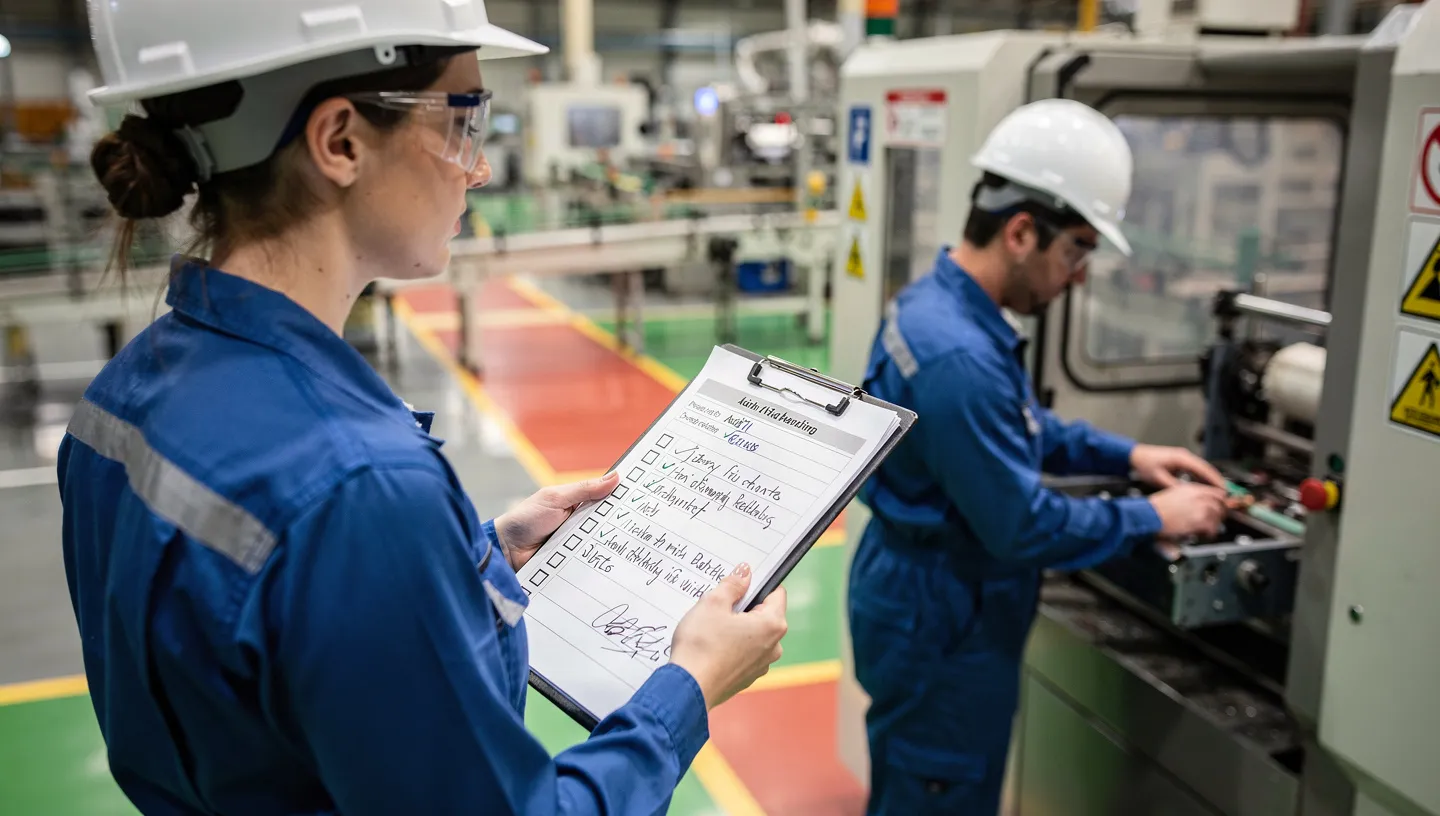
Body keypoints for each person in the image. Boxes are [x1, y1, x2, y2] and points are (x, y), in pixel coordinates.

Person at [58, 3, 787, 814]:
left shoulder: (118, 399)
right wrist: (685, 687)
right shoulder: (360, 486)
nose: (477, 170)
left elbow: (261, 636)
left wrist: (472, 557)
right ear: (340, 141)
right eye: (464, 123)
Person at [846, 98, 1231, 815]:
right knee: (937, 791)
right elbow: (1021, 525)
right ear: (1022, 231)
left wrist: (1130, 455)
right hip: (947, 618)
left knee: (920, 780)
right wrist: (1152, 516)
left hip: (926, 596)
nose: (1080, 274)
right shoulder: (958, 353)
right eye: (1078, 248)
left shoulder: (941, 306)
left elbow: (1021, 426)